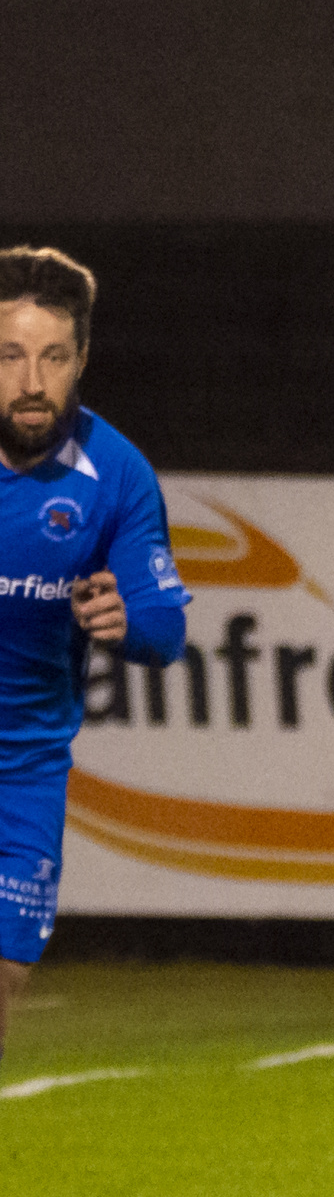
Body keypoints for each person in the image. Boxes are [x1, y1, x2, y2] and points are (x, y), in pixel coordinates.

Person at [0, 247, 189, 1065]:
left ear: (81, 360)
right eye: (9, 355)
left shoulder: (115, 474)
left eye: (52, 357)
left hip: (23, 772)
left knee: (4, 974)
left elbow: (166, 629)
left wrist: (126, 621)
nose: (30, 382)